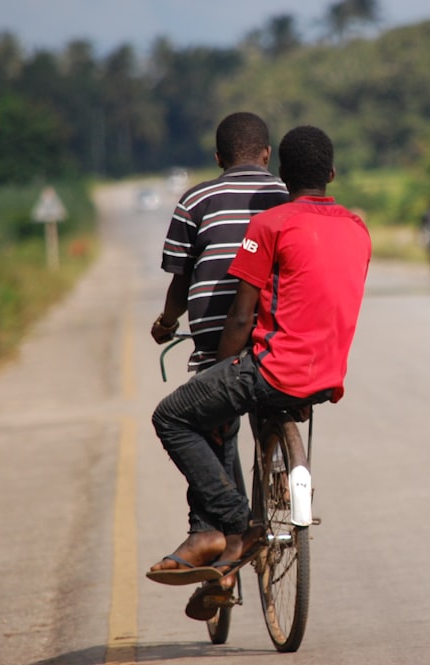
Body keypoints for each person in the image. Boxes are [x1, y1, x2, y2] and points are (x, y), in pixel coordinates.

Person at [146, 125, 372, 614]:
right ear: (332, 173)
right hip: (327, 375)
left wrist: (219, 373)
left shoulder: (269, 224)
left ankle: (236, 523)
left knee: (172, 416)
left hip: (271, 368)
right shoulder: (358, 228)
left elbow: (241, 316)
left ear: (282, 175)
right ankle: (232, 537)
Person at [149, 111, 289, 566]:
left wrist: (167, 322)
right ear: (266, 155)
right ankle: (275, 492)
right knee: (261, 421)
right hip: (275, 340)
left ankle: (225, 531)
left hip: (216, 343)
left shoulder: (196, 200)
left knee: (211, 429)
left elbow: (180, 281)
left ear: (218, 158)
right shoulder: (289, 198)